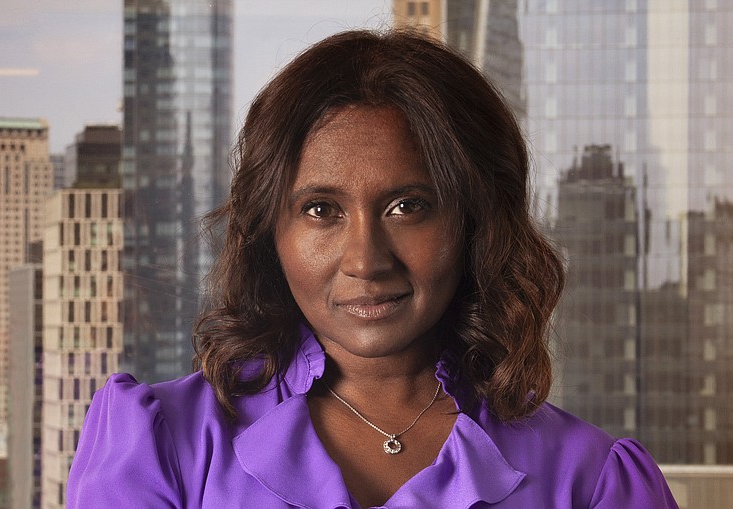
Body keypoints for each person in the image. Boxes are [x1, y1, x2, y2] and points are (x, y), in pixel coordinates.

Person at [67, 29, 679, 508]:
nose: (365, 259)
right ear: (268, 232)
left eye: (406, 206)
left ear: (475, 220)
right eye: (320, 209)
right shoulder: (162, 447)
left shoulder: (593, 484)